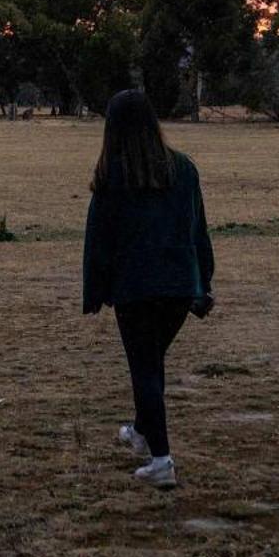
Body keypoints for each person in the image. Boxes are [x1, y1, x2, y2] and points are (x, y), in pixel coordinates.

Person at [82, 89, 216, 489]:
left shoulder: (113, 177)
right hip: (178, 289)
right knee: (151, 364)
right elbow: (198, 232)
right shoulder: (183, 169)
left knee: (145, 370)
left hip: (135, 290)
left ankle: (161, 460)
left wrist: (96, 291)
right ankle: (141, 432)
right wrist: (203, 283)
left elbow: (99, 240)